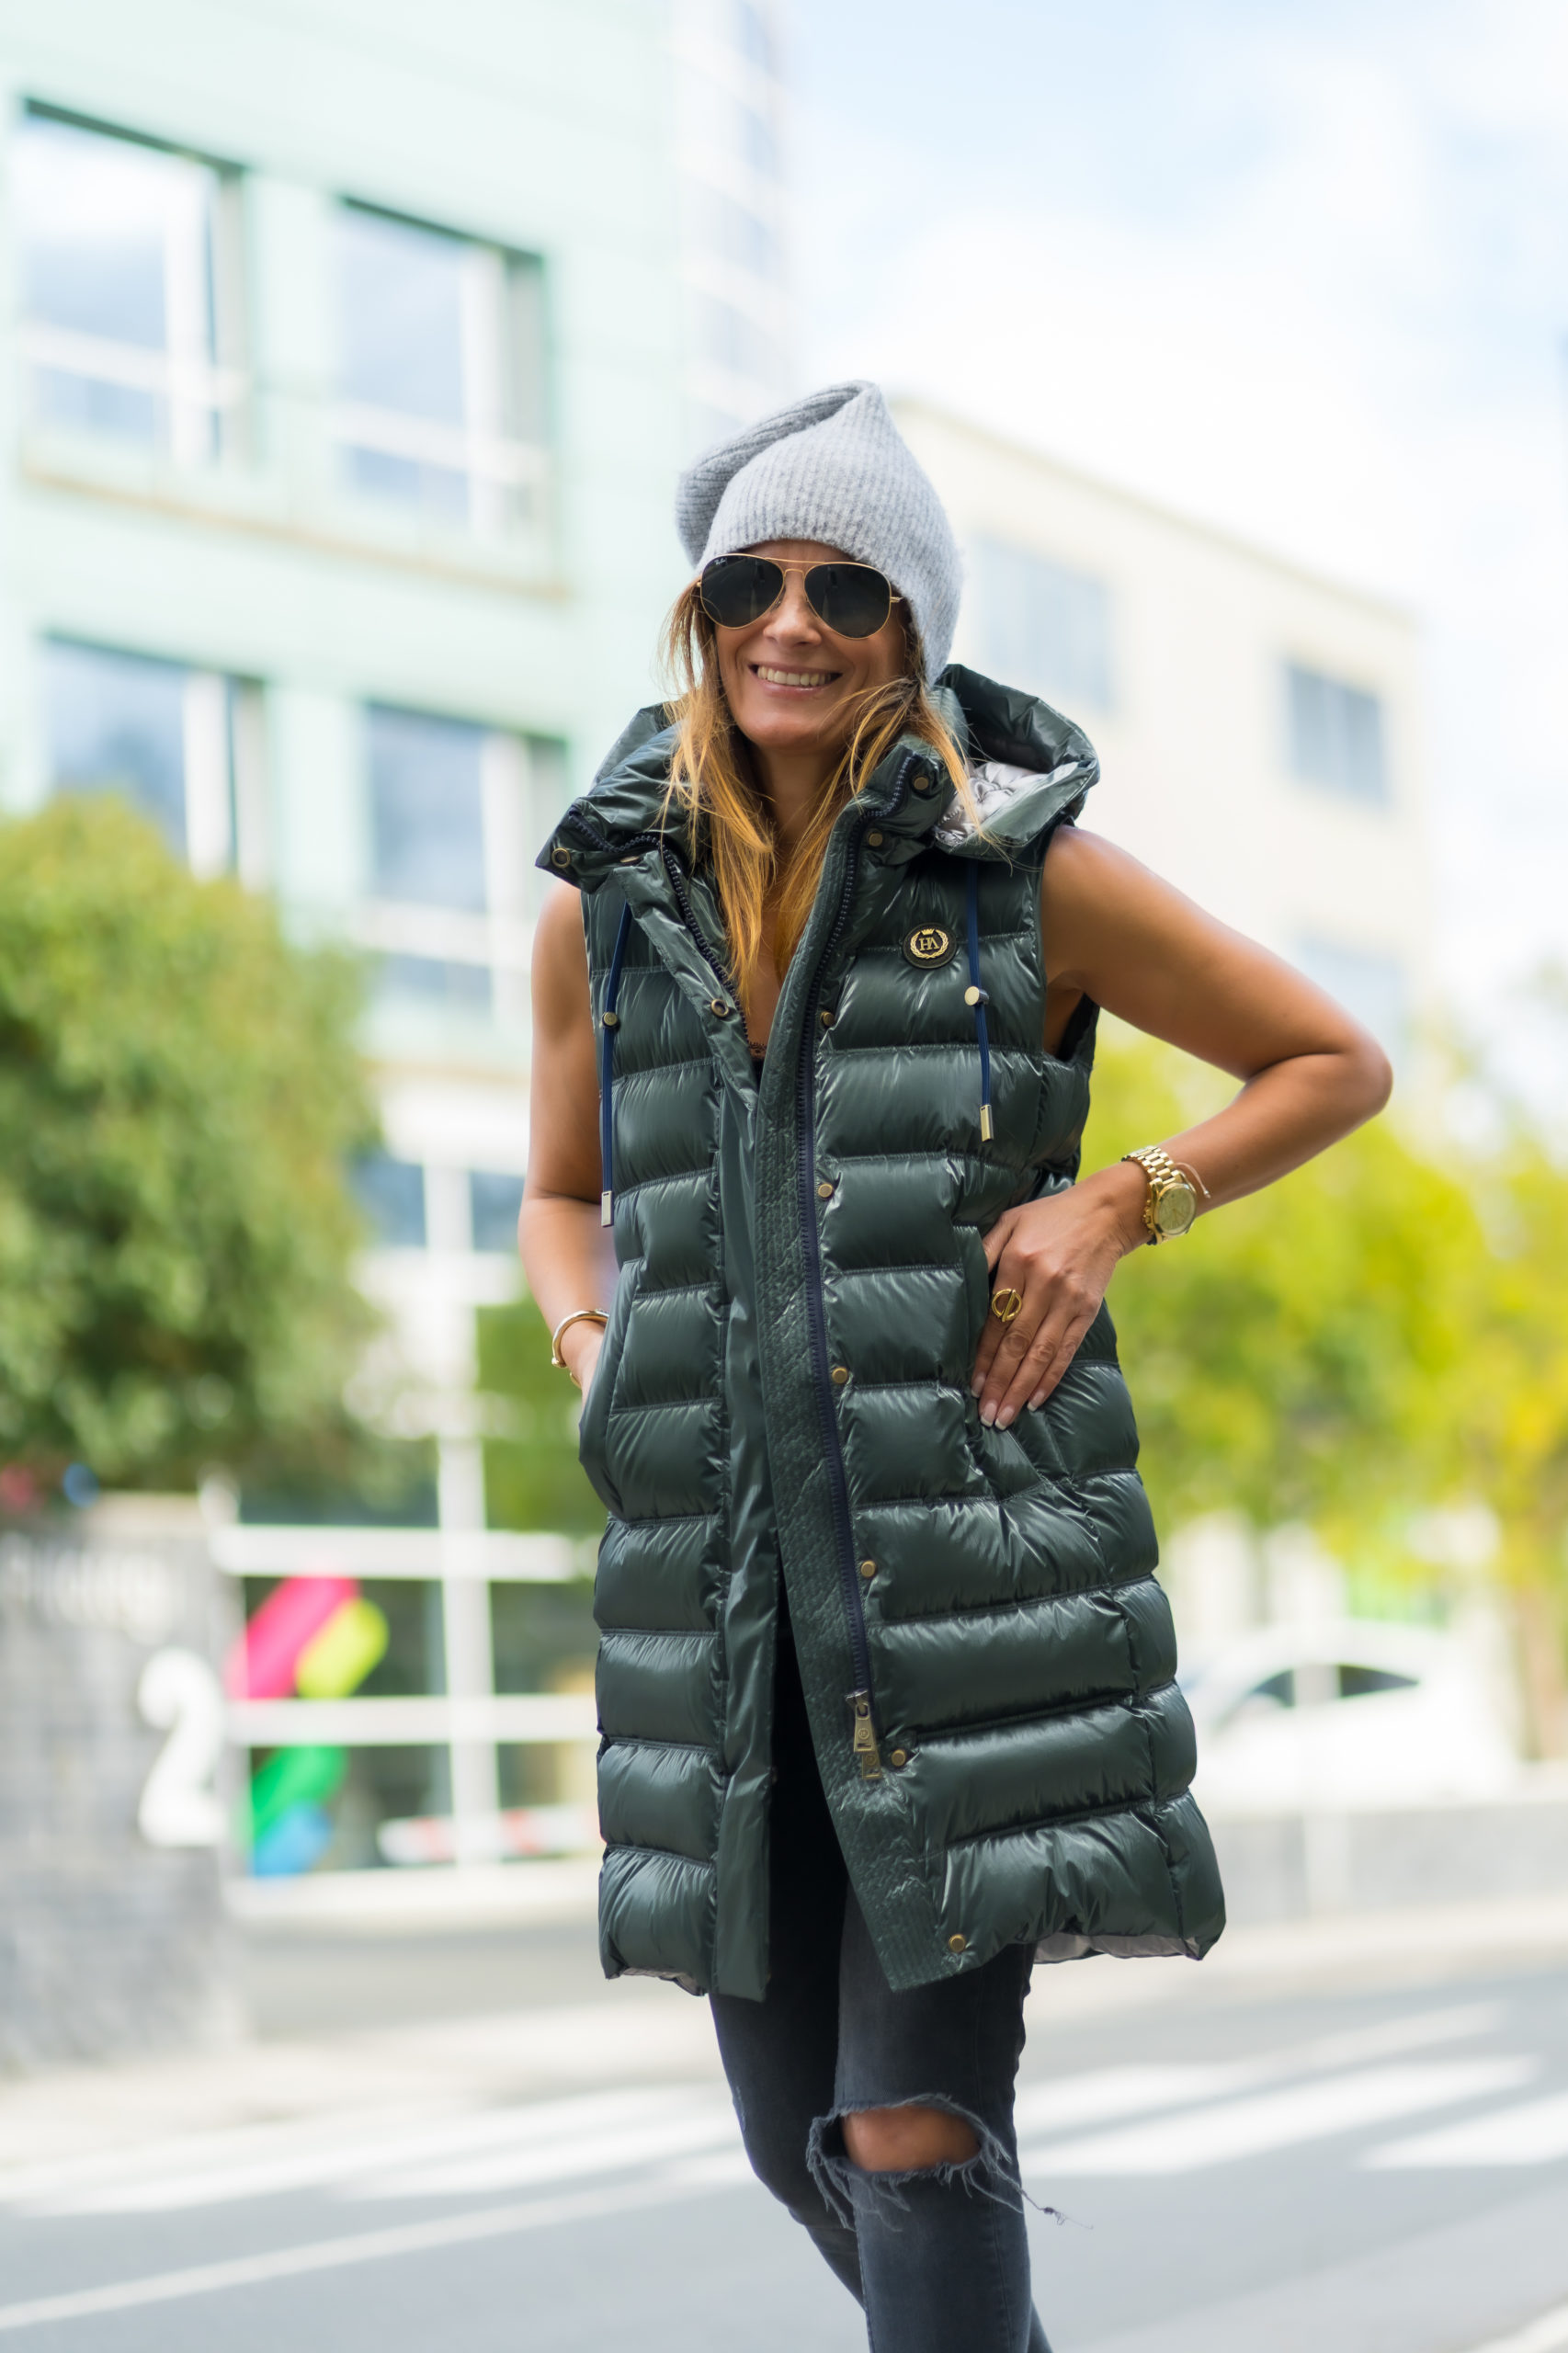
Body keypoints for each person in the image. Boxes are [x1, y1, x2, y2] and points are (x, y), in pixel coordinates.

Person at [521, 381, 1392, 2353]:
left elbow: (1332, 1059)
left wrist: (1122, 1202)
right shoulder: (603, 910)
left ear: (912, 628)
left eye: (848, 588)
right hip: (724, 1608)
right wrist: (592, 1348)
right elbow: (560, 1196)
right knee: (795, 2141)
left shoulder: (1023, 876)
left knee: (909, 2129)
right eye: (750, 580)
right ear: (698, 608)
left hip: (967, 1592)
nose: (791, 622)